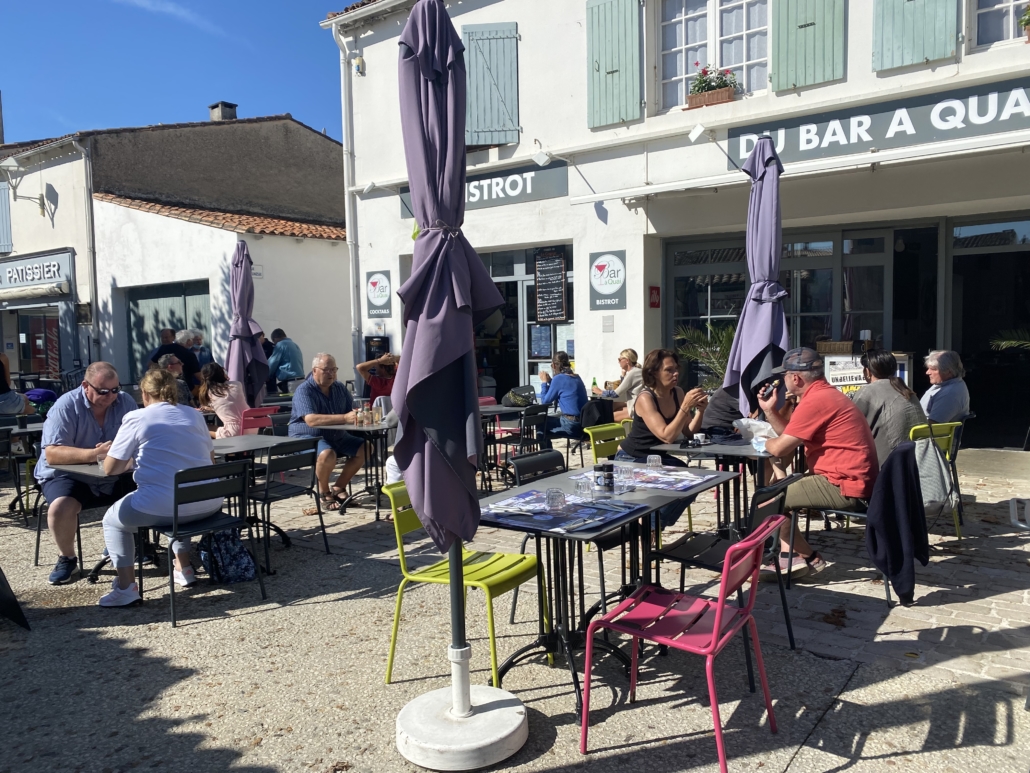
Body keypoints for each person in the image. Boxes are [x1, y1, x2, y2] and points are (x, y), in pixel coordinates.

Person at [97, 369, 224, 607]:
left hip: (168, 505)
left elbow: (110, 469)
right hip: (209, 502)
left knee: (112, 521)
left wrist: (125, 458)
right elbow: (210, 460)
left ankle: (126, 588)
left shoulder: (137, 417)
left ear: (144, 394)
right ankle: (183, 567)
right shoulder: (194, 415)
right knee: (177, 496)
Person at [757, 347, 879, 579]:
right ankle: (790, 556)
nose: (783, 380)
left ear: (795, 378)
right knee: (777, 492)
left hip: (845, 484)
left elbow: (780, 447)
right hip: (851, 478)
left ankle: (810, 557)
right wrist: (769, 410)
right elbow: (790, 436)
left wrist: (762, 441)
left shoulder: (816, 401)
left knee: (768, 500)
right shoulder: (823, 394)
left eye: (784, 375)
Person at [35, 362, 138, 585]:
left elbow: (139, 438)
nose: (110, 396)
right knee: (61, 507)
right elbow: (52, 454)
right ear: (85, 386)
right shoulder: (65, 406)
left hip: (114, 474)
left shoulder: (125, 402)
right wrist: (94, 454)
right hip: (71, 475)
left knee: (150, 487)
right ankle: (67, 558)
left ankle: (126, 543)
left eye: (115, 389)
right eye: (103, 391)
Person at [616, 348, 708, 527]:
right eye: (669, 370)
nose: (675, 373)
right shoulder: (645, 398)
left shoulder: (677, 393)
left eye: (676, 369)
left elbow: (689, 431)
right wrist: (685, 407)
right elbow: (667, 436)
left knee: (695, 480)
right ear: (654, 373)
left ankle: (652, 525)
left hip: (656, 457)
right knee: (681, 480)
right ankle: (650, 526)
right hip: (632, 457)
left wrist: (700, 411)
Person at [288, 353, 367, 511]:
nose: (331, 374)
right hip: (308, 436)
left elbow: (352, 410)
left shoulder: (339, 388)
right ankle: (323, 493)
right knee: (327, 454)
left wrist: (361, 416)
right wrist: (345, 418)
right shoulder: (304, 390)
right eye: (326, 370)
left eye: (334, 369)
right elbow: (311, 420)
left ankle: (339, 487)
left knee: (366, 447)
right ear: (314, 370)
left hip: (336, 435)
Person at [851, 349, 926, 466]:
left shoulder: (868, 392)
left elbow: (850, 429)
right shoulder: (906, 389)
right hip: (919, 460)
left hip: (889, 464)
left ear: (867, 371)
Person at [537, 351, 588, 449]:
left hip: (571, 425)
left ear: (554, 365)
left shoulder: (558, 379)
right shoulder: (577, 377)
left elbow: (545, 402)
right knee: (547, 423)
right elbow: (563, 387)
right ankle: (548, 453)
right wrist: (550, 381)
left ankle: (547, 456)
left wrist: (544, 383)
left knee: (541, 423)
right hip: (583, 423)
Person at [197, 362, 249, 438]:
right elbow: (228, 404)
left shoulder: (208, 392)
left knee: (202, 428)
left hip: (233, 432)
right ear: (222, 372)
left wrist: (208, 408)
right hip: (250, 426)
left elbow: (223, 405)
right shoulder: (237, 384)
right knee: (215, 428)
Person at [593, 348, 644, 421]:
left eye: (619, 359)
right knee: (611, 406)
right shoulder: (637, 371)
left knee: (609, 416)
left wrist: (600, 392)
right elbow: (625, 387)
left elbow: (616, 394)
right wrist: (623, 376)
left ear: (627, 360)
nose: (618, 362)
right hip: (639, 405)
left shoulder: (632, 373)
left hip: (637, 409)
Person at [920, 350, 970, 423]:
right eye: (928, 368)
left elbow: (933, 424)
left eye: (933, 369)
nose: (927, 372)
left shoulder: (950, 393)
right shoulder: (943, 384)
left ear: (948, 371)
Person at [267, 328, 304, 393]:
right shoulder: (294, 345)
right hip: (301, 381)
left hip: (291, 383)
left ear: (275, 339)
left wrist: (266, 375)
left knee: (291, 399)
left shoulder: (280, 345)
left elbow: (272, 363)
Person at [0, 350, 34, 415]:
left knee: (24, 398)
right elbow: (8, 382)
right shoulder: (2, 357)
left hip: (5, 401)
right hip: (5, 400)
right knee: (30, 408)